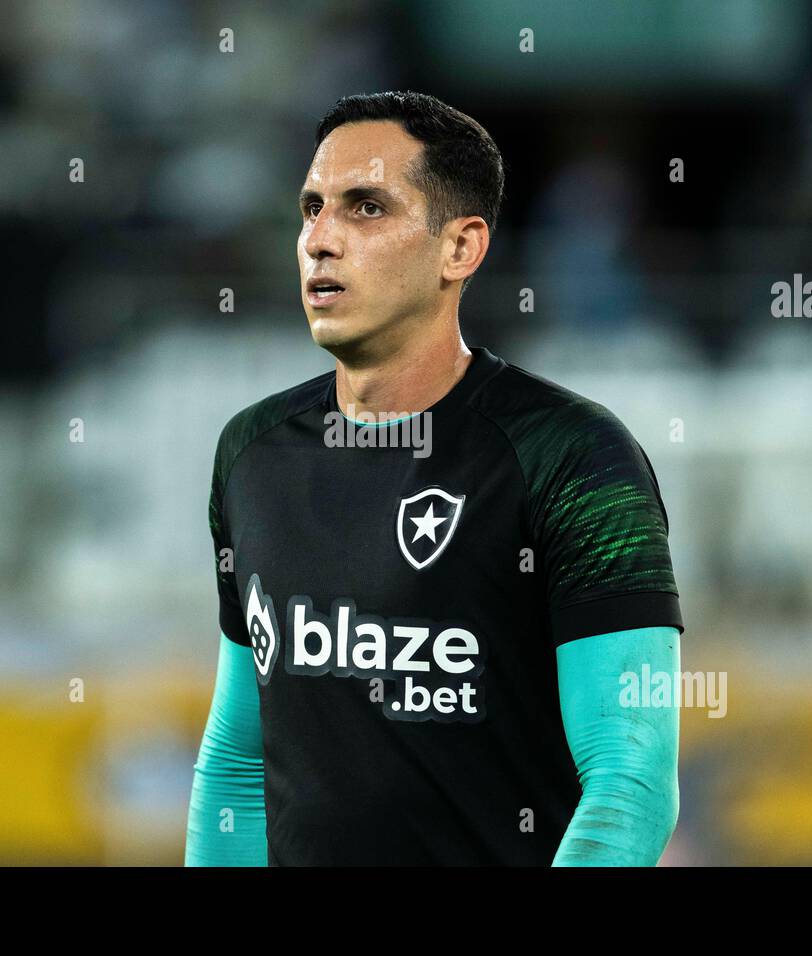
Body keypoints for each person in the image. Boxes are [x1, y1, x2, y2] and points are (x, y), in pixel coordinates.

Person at [186, 91, 684, 866]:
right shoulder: (250, 452)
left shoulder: (573, 455)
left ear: (460, 248)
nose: (320, 239)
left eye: (367, 208)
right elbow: (237, 763)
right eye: (312, 208)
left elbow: (631, 778)